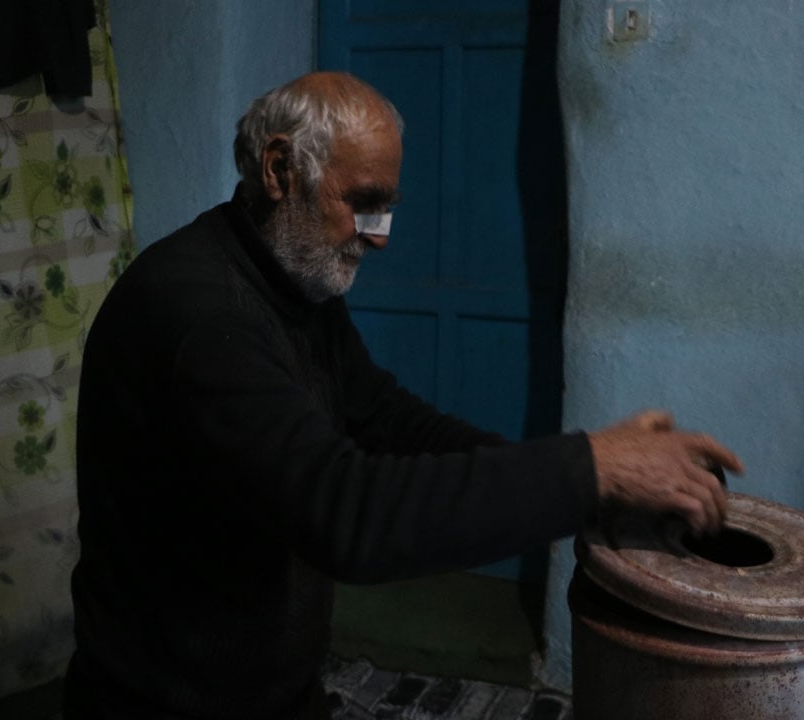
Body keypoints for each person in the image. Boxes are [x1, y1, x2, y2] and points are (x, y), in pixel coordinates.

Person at [63, 71, 743, 720]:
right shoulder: (199, 315)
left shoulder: (288, 280)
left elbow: (381, 417)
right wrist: (591, 468)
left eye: (385, 208)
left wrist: (577, 482)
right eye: (362, 203)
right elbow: (347, 514)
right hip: (171, 703)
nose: (379, 237)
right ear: (279, 170)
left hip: (269, 689)